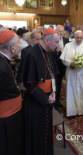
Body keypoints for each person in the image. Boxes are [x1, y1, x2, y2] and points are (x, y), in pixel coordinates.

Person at [18, 27, 59, 155]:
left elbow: (52, 75)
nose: (58, 46)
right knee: (36, 133)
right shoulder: (32, 54)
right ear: (47, 40)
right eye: (56, 42)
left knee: (45, 131)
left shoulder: (48, 52)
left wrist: (54, 92)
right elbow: (29, 84)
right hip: (36, 102)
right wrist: (46, 98)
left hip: (47, 98)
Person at [60, 30, 83, 120]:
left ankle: (82, 110)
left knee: (82, 90)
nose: (79, 39)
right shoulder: (68, 46)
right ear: (74, 37)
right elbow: (64, 60)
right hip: (72, 72)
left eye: (81, 38)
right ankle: (71, 111)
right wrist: (70, 64)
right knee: (71, 91)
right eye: (77, 38)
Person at [52, 25, 69, 111]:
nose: (61, 33)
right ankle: (54, 103)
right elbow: (49, 53)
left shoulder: (66, 40)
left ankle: (57, 100)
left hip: (63, 66)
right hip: (55, 65)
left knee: (60, 85)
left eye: (62, 31)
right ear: (56, 31)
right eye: (59, 31)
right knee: (55, 85)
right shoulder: (53, 40)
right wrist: (56, 51)